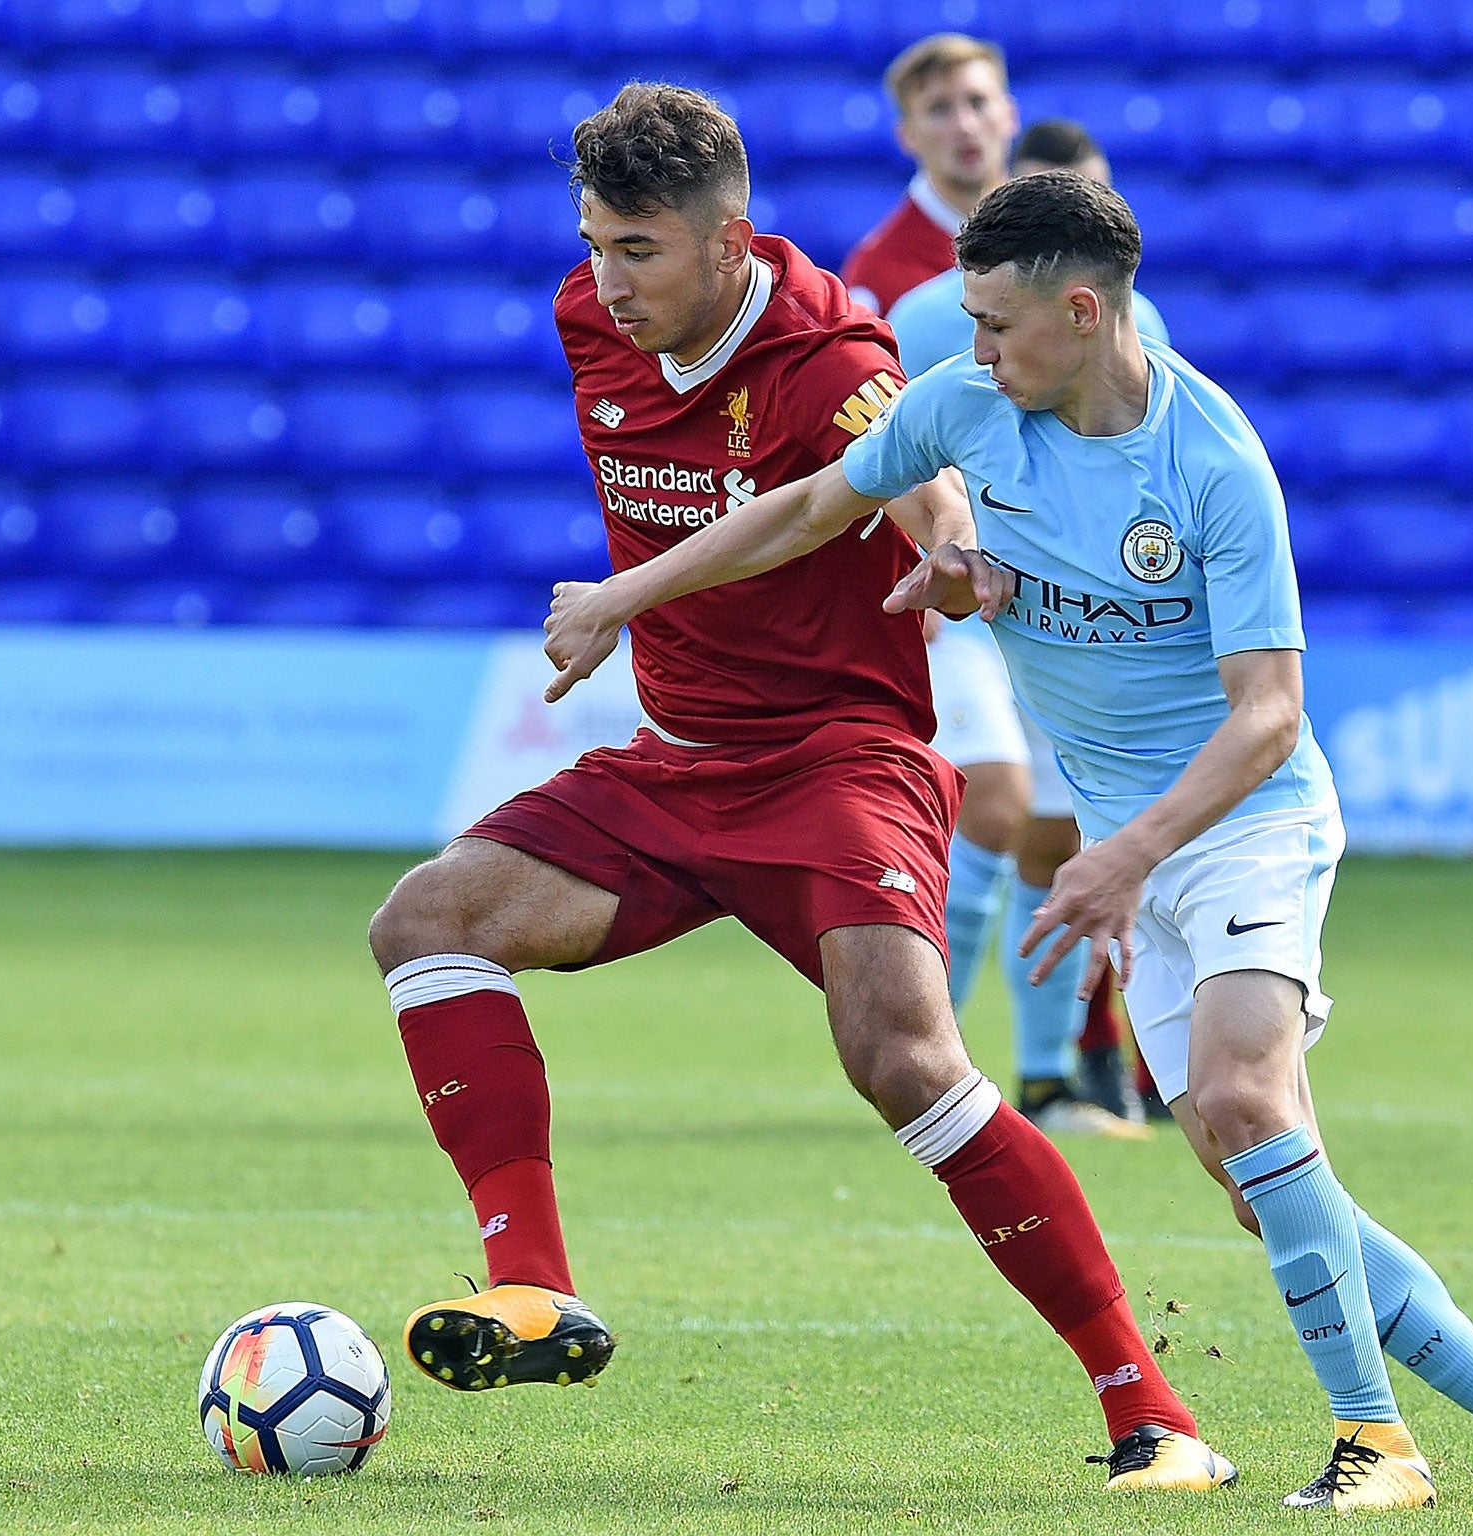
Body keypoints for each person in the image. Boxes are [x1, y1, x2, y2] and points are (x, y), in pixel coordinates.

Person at [540, 169, 1473, 1512]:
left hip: (1240, 826)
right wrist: (644, 592)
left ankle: (1377, 1446)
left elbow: (1269, 721)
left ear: (1084, 313)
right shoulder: (968, 412)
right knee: (1265, 1187)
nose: (972, 352)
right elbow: (808, 508)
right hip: (1127, 848)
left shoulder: (1213, 462)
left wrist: (1127, 853)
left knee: (1240, 1103)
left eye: (996, 326)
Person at [368, 86, 1236, 1494]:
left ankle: (1153, 1413)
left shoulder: (829, 353)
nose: (607, 281)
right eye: (593, 243)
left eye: (639, 249)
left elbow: (923, 488)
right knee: (426, 922)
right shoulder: (588, 326)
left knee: (902, 1060)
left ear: (728, 239)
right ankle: (532, 1288)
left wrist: (951, 551)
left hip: (844, 761)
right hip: (678, 768)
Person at [889, 117, 1168, 1141]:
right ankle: (928, 1050)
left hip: (1071, 616)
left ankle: (1049, 1074)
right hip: (962, 602)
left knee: (1052, 834)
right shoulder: (922, 316)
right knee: (995, 807)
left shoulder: (1154, 339)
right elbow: (865, 450)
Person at [840, 33, 1016, 317]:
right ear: (906, 136)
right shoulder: (877, 275)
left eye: (977, 102)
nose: (965, 126)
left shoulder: (1056, 241)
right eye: (940, 109)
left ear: (1010, 115)